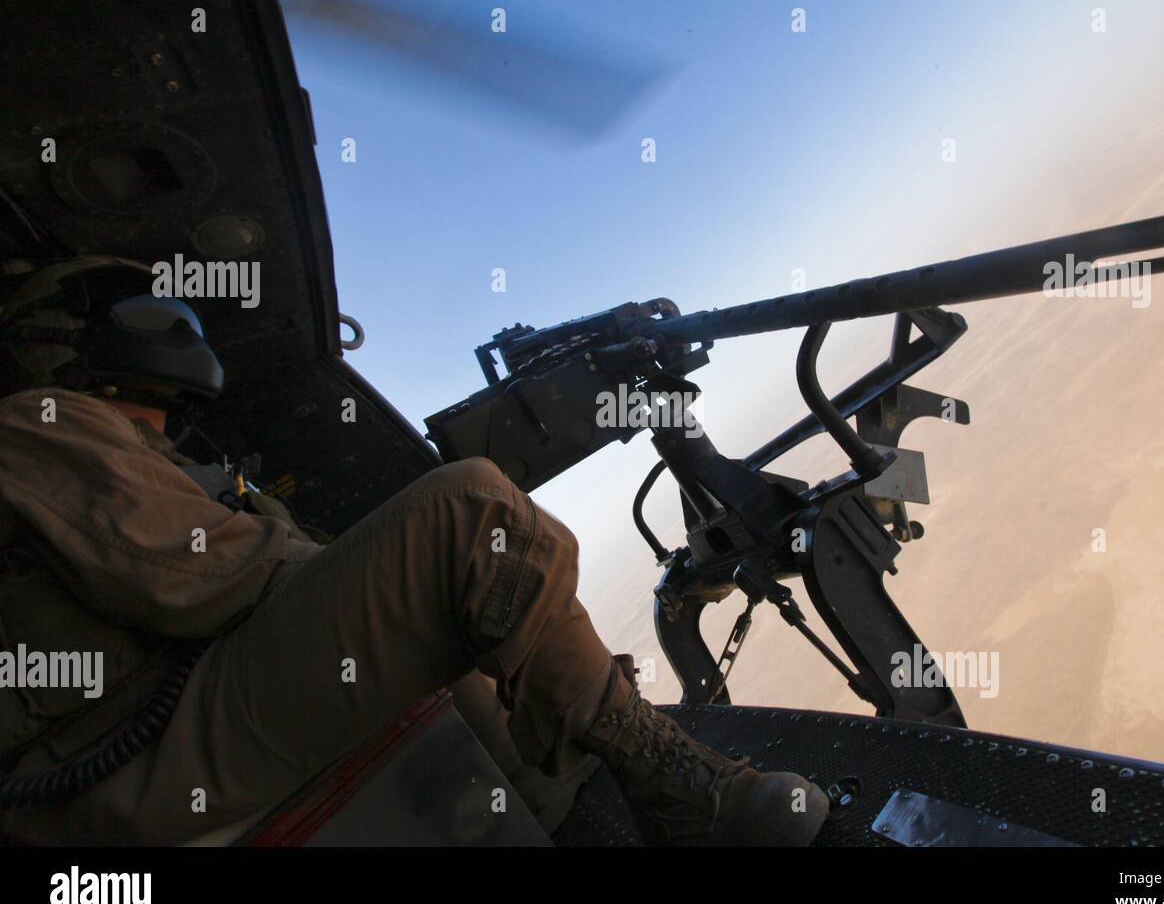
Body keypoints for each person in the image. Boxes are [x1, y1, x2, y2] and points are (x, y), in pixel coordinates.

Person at [0, 275, 829, 846]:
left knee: (463, 652)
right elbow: (195, 583)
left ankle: (589, 811)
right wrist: (366, 569)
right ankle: (684, 800)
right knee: (469, 515)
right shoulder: (37, 422)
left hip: (152, 736)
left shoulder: (153, 454)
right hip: (106, 776)